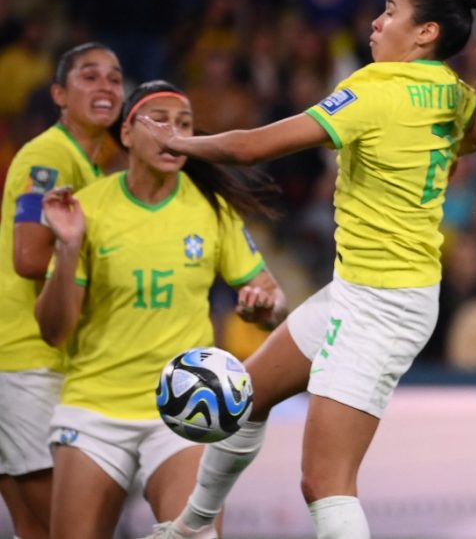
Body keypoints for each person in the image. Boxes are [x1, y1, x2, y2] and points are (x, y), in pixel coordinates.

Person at [140, 0, 476, 539]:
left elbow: (250, 146)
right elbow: (471, 140)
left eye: (390, 11)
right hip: (365, 290)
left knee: (324, 481)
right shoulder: (454, 94)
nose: (376, 22)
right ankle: (192, 527)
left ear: (425, 32)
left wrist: (177, 143)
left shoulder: (375, 88)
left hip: (381, 306)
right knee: (246, 399)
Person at [33, 81, 287, 539]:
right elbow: (54, 331)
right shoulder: (87, 208)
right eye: (161, 121)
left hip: (184, 408)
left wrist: (263, 304)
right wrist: (69, 247)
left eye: (185, 125)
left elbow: (273, 300)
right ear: (127, 134)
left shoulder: (212, 209)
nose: (175, 132)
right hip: (94, 410)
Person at [0, 42, 124, 539]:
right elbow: (29, 257)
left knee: (38, 531)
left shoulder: (89, 167)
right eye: (89, 77)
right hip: (28, 361)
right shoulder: (50, 157)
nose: (106, 86)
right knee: (73, 530)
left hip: (29, 360)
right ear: (58, 94)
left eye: (115, 79)